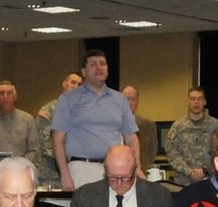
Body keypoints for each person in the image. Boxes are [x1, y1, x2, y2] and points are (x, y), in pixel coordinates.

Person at [51, 49, 140, 191]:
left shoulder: (120, 99)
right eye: (93, 64)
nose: (99, 67)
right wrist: (65, 174)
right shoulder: (68, 99)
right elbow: (57, 139)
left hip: (115, 170)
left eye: (102, 64)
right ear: (84, 72)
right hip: (81, 169)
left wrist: (137, 168)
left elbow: (131, 137)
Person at [164, 87, 218, 186]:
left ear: (204, 102)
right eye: (193, 99)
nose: (196, 102)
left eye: (199, 99)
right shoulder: (178, 126)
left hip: (209, 180)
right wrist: (188, 171)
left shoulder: (215, 125)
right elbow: (171, 152)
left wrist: (205, 170)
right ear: (188, 102)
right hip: (183, 181)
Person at [35, 73, 82, 188]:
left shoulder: (83, 112)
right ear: (64, 84)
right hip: (50, 174)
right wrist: (67, 159)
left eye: (79, 84)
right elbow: (45, 143)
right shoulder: (49, 110)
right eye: (72, 82)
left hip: (76, 172)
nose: (75, 86)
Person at [0, 80, 40, 168]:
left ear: (15, 97)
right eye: (2, 93)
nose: (5, 96)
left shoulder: (27, 120)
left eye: (9, 93)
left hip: (21, 172)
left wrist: (20, 163)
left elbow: (34, 149)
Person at [122, 85, 158, 173]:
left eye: (133, 99)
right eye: (126, 99)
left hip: (141, 173)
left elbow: (152, 154)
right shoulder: (112, 125)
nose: (130, 103)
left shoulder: (149, 125)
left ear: (137, 102)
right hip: (119, 173)